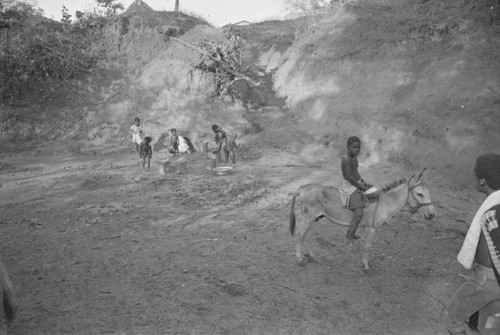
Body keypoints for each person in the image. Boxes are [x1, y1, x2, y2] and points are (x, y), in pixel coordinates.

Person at [443, 153, 500, 335]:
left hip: (487, 278)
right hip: (494, 281)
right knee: (490, 326)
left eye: (475, 174)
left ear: (482, 180)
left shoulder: (492, 210)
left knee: (451, 317)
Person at [340, 136, 372, 241]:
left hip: (355, 182)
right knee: (359, 213)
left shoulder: (354, 157)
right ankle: (350, 235)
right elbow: (349, 177)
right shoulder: (346, 159)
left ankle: (351, 233)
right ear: (347, 147)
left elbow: (355, 172)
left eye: (358, 147)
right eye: (354, 147)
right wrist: (360, 186)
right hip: (348, 185)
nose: (357, 150)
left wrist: (363, 181)